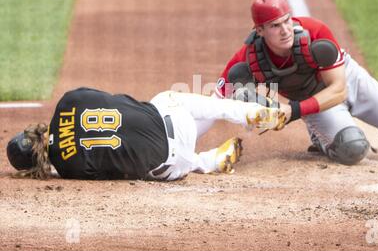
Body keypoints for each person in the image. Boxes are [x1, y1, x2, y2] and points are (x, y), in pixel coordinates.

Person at [213, 0, 378, 165]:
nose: (285, 30)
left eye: (287, 20)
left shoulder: (315, 31)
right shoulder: (248, 58)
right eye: (275, 25)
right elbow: (214, 100)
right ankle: (322, 137)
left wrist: (292, 111)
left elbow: (339, 90)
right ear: (259, 30)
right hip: (316, 102)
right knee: (352, 148)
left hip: (347, 79)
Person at [6, 87, 286, 181]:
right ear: (33, 131)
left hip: (172, 164)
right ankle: (242, 110)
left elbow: (121, 171)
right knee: (163, 98)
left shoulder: (68, 168)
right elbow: (120, 100)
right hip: (175, 117)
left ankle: (206, 162)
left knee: (144, 167)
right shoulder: (69, 100)